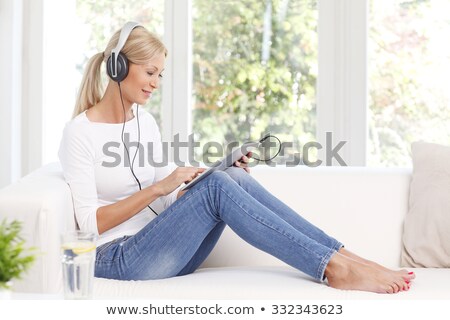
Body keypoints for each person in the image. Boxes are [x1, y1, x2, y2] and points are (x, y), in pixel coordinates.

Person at [58, 22, 415, 294]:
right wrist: (159, 189)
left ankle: (345, 257)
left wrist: (193, 182)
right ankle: (335, 268)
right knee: (217, 188)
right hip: (116, 258)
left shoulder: (144, 122)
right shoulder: (80, 133)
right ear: (118, 67)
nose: (155, 83)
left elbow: (168, 196)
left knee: (231, 179)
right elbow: (89, 225)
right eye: (150, 72)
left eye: (159, 75)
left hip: (159, 247)